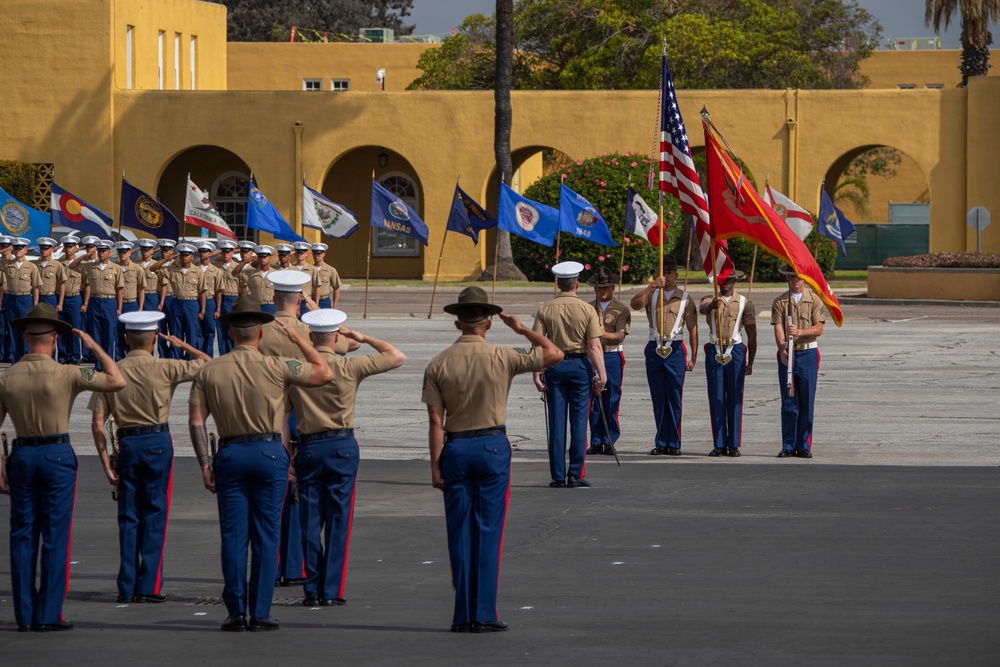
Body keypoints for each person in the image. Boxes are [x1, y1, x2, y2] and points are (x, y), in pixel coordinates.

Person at [188, 294, 333, 632]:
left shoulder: (209, 370)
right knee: (267, 535)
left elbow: (197, 421)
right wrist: (300, 339)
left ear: (230, 334)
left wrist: (205, 464)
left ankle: (236, 611)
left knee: (234, 536)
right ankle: (262, 610)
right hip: (269, 454)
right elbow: (324, 372)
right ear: (261, 334)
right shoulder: (277, 366)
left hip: (230, 453)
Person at [423, 286, 562, 633]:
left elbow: (435, 422)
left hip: (454, 448)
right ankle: (483, 612)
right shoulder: (503, 355)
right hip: (491, 446)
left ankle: (462, 613)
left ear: (458, 324)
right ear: (488, 323)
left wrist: (435, 465)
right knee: (488, 531)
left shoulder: (438, 362)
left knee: (458, 532)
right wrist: (521, 329)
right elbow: (554, 353)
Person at [0, 303, 126, 631]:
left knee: (22, 536)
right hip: (56, 455)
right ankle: (49, 613)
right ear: (55, 338)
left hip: (23, 455)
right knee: (56, 536)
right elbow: (116, 381)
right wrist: (95, 346)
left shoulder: (7, 377)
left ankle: (25, 616)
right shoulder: (67, 373)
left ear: (26, 337)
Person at [88, 311, 209, 603]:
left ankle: (127, 585)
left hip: (127, 444)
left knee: (129, 515)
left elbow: (97, 422)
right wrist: (182, 345)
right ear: (155, 338)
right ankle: (150, 585)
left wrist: (105, 463)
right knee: (156, 512)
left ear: (126, 338)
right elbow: (206, 363)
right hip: (157, 441)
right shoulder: (166, 367)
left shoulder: (112, 371)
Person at [290, 309, 405, 607]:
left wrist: (288, 457)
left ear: (311, 336)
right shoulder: (349, 366)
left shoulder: (296, 370)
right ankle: (332, 590)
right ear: (337, 337)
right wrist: (362, 337)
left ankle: (311, 588)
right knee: (339, 518)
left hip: (308, 447)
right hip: (342, 445)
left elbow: (280, 420)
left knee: (310, 520)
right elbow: (396, 355)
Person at [532, 261, 606, 488]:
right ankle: (574, 473)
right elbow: (594, 346)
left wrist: (536, 374)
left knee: (556, 423)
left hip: (554, 367)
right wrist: (602, 375)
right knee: (579, 421)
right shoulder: (587, 309)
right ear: (577, 284)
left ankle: (556, 475)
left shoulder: (545, 309)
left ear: (558, 283)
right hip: (579, 366)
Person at [629, 254, 698, 456]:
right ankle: (661, 441)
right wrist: (652, 286)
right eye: (664, 272)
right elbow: (634, 304)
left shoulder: (685, 299)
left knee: (674, 398)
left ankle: (674, 442)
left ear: (676, 274)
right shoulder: (652, 295)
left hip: (676, 349)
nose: (667, 276)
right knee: (658, 397)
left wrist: (694, 356)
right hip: (654, 347)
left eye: (670, 272)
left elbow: (693, 328)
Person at [699, 270, 756, 457]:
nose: (725, 283)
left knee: (735, 398)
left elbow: (752, 333)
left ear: (735, 280)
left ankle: (734, 444)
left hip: (735, 350)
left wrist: (751, 361)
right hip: (715, 349)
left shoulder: (744, 303)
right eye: (722, 279)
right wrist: (712, 306)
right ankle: (719, 443)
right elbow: (703, 309)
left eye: (729, 279)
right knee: (716, 397)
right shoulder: (709, 299)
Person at [771, 264, 825, 459]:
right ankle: (788, 444)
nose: (796, 281)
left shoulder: (814, 300)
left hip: (808, 353)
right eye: (792, 277)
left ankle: (803, 445)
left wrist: (800, 332)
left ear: (805, 279)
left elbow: (819, 328)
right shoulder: (780, 302)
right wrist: (782, 349)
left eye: (799, 277)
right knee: (789, 401)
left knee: (806, 401)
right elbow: (778, 328)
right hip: (788, 354)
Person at [584, 266, 630, 457]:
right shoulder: (587, 308)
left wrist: (603, 333)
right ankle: (596, 440)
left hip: (611, 355)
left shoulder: (621, 309)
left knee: (612, 399)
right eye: (599, 288)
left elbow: (620, 335)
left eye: (605, 287)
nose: (602, 291)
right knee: (594, 400)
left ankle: (609, 439)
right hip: (593, 355)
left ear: (612, 288)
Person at [81, 239, 125, 368]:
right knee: (96, 333)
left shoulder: (116, 268)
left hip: (110, 301)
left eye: (104, 251)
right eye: (99, 251)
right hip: (95, 300)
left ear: (109, 252)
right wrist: (86, 255)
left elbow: (119, 289)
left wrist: (119, 307)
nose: (101, 254)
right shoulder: (91, 266)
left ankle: (108, 362)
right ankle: (98, 363)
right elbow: (72, 266)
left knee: (109, 333)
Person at [158, 243, 206, 359]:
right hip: (176, 302)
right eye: (182, 255)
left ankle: (190, 360)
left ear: (192, 257)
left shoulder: (198, 272)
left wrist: (202, 310)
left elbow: (202, 292)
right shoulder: (172, 270)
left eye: (187, 255)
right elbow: (153, 268)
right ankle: (176, 360)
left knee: (191, 334)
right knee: (176, 333)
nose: (184, 257)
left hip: (191, 303)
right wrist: (167, 259)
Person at [1, 237, 42, 362]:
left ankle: (26, 357)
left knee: (26, 329)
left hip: (25, 299)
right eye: (16, 248)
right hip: (11, 298)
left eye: (21, 248)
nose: (18, 250)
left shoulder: (31, 267)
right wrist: (7, 248)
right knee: (12, 329)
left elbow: (36, 287)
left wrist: (35, 304)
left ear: (26, 250)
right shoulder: (7, 264)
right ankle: (15, 359)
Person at [114, 241, 145, 360]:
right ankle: (118, 358)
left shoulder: (137, 269)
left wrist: (140, 308)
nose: (122, 254)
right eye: (120, 252)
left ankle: (132, 358)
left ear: (130, 253)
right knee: (118, 333)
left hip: (131, 304)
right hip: (116, 304)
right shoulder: (114, 268)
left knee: (132, 334)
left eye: (125, 252)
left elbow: (141, 290)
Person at [195, 240, 225, 357]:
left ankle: (207, 356)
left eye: (205, 251)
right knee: (197, 332)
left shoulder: (216, 271)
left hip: (209, 301)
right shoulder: (194, 269)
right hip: (195, 301)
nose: (203, 253)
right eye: (201, 251)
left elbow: (218, 291)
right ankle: (198, 357)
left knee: (209, 331)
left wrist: (218, 309)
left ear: (210, 254)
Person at [57, 236, 84, 364]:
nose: (68, 249)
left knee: (74, 329)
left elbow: (87, 285)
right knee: (62, 328)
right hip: (60, 298)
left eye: (71, 246)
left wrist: (85, 303)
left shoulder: (81, 265)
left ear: (76, 248)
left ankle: (74, 357)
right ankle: (62, 356)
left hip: (74, 298)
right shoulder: (58, 264)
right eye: (66, 246)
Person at [212, 239, 241, 355]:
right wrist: (215, 254)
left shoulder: (237, 267)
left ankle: (232, 354)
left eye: (228, 252)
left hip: (233, 299)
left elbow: (242, 288)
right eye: (223, 252)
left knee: (232, 330)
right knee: (221, 330)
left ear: (233, 252)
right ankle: (223, 355)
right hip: (219, 299)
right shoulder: (216, 267)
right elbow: (199, 262)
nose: (226, 254)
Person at [236, 245, 276, 314]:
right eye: (260, 257)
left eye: (264, 257)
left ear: (270, 258)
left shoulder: (275, 274)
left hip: (270, 305)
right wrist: (244, 262)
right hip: (256, 306)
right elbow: (234, 273)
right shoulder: (251, 273)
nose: (262, 259)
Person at [35, 238, 67, 316]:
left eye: (46, 248)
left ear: (51, 250)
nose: (44, 250)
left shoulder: (57, 265)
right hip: (38, 296)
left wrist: (60, 303)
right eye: (42, 248)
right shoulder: (35, 265)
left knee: (50, 319)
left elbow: (62, 284)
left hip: (50, 296)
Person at [310, 243, 341, 309]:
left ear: (324, 254)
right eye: (314, 254)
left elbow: (336, 288)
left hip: (324, 300)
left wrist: (334, 305)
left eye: (319, 254)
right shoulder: (309, 269)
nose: (316, 256)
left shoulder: (330, 270)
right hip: (311, 299)